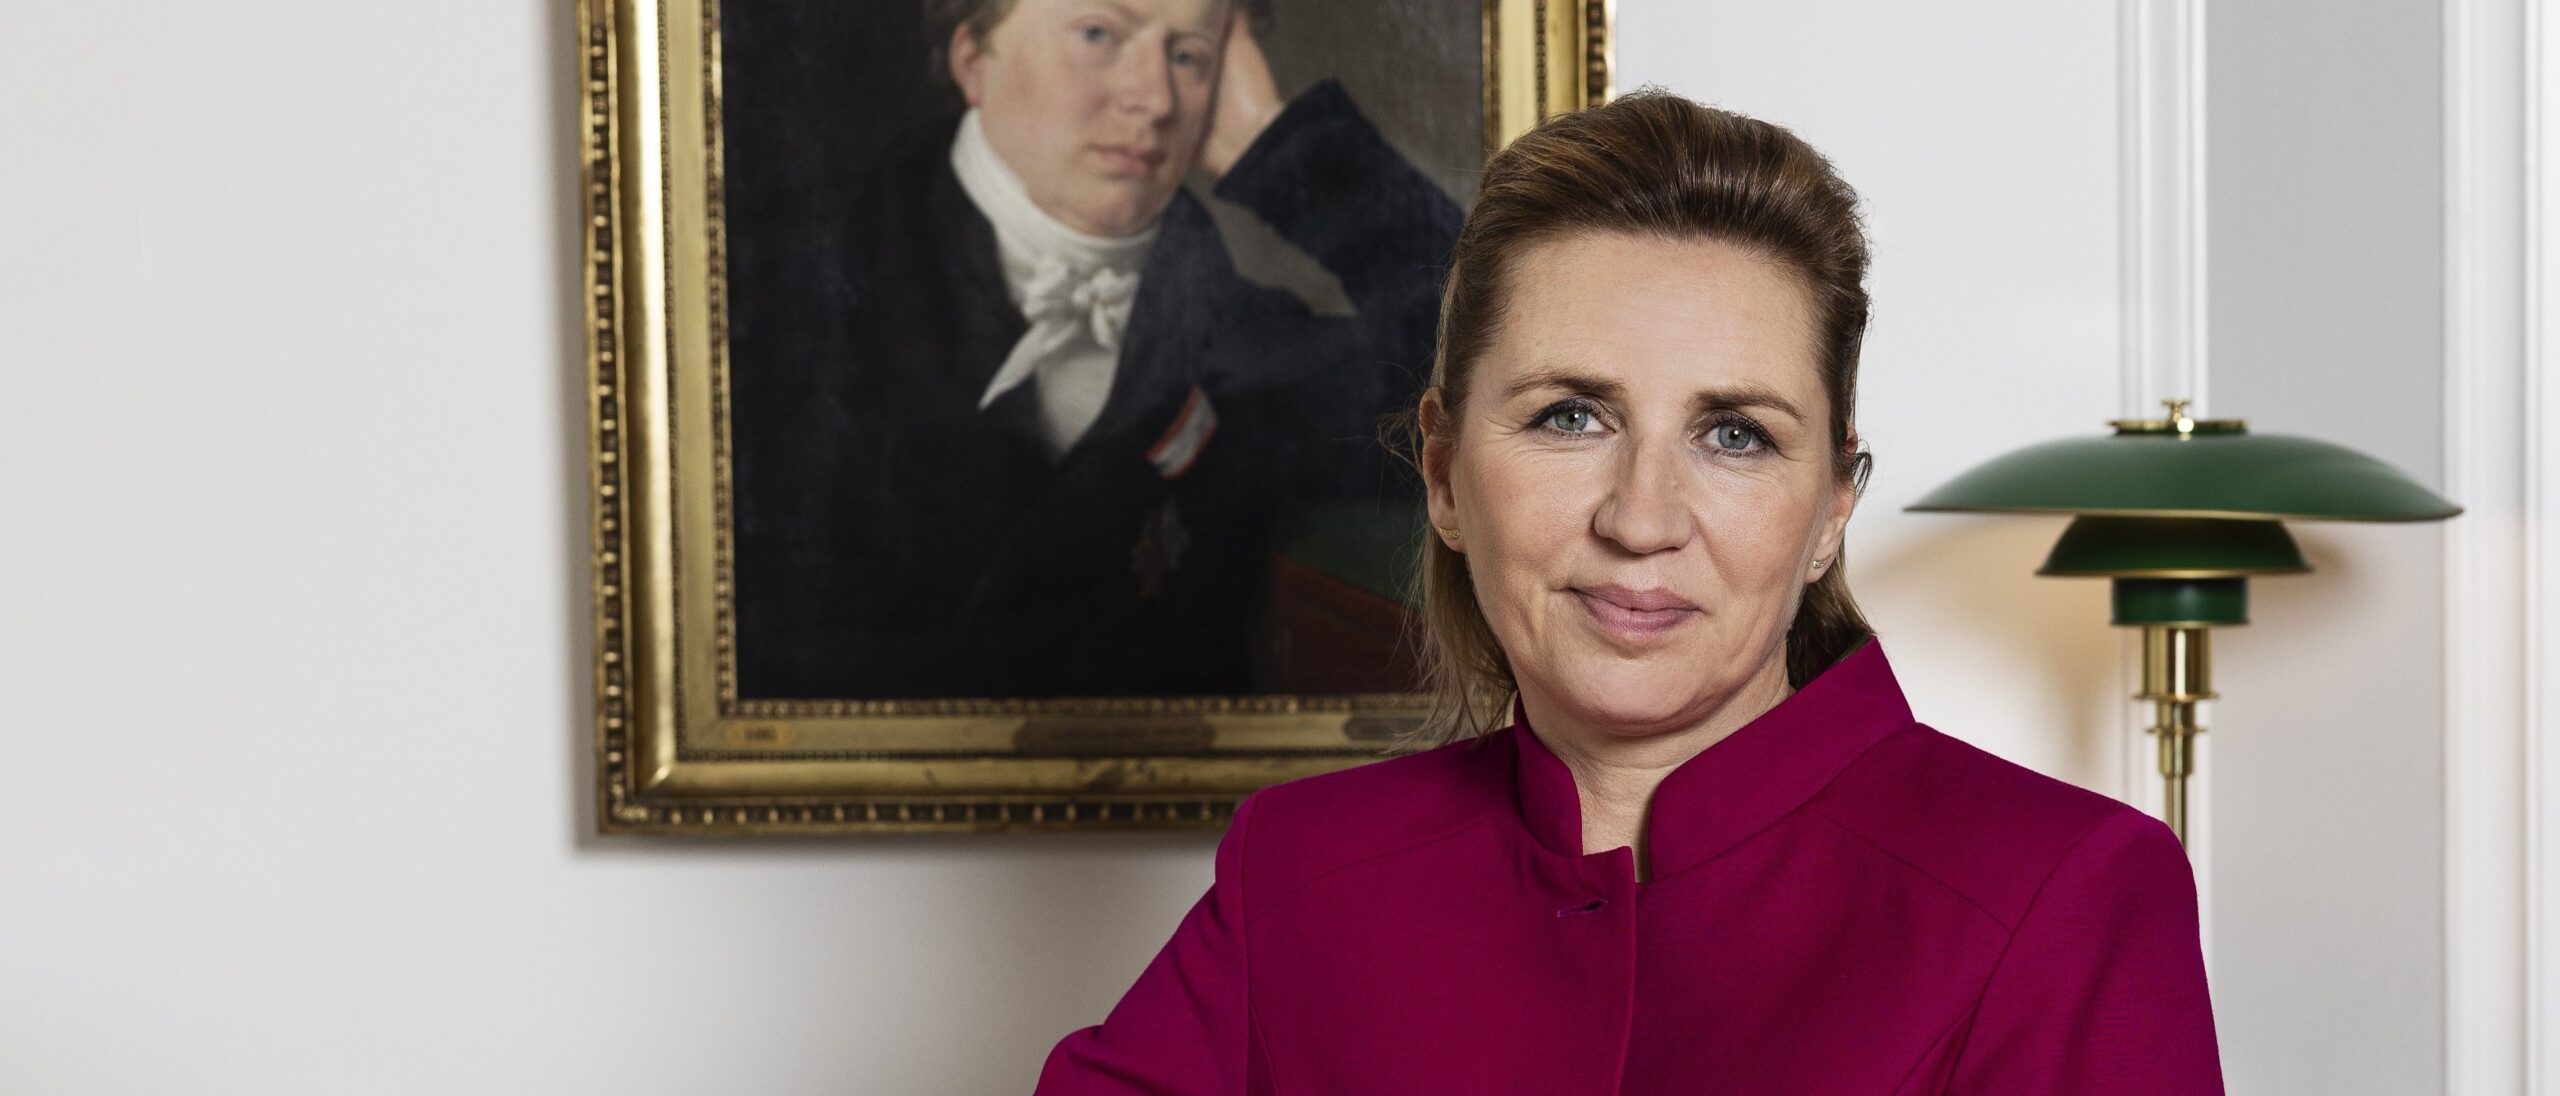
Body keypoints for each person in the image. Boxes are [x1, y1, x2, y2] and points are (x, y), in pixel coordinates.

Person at [1033, 91, 2224, 1092]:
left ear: (1830, 509)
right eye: (1570, 416)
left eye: (1735, 434)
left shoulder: (2066, 890)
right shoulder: (1298, 869)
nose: (1641, 518)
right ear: (1442, 475)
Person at [728, 0, 1462, 699]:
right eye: (1098, 34)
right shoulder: (787, 318)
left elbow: (1484, 385)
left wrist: (1275, 139)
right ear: (973, 57)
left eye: (1188, 56)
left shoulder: (1243, 340)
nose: (1157, 101)